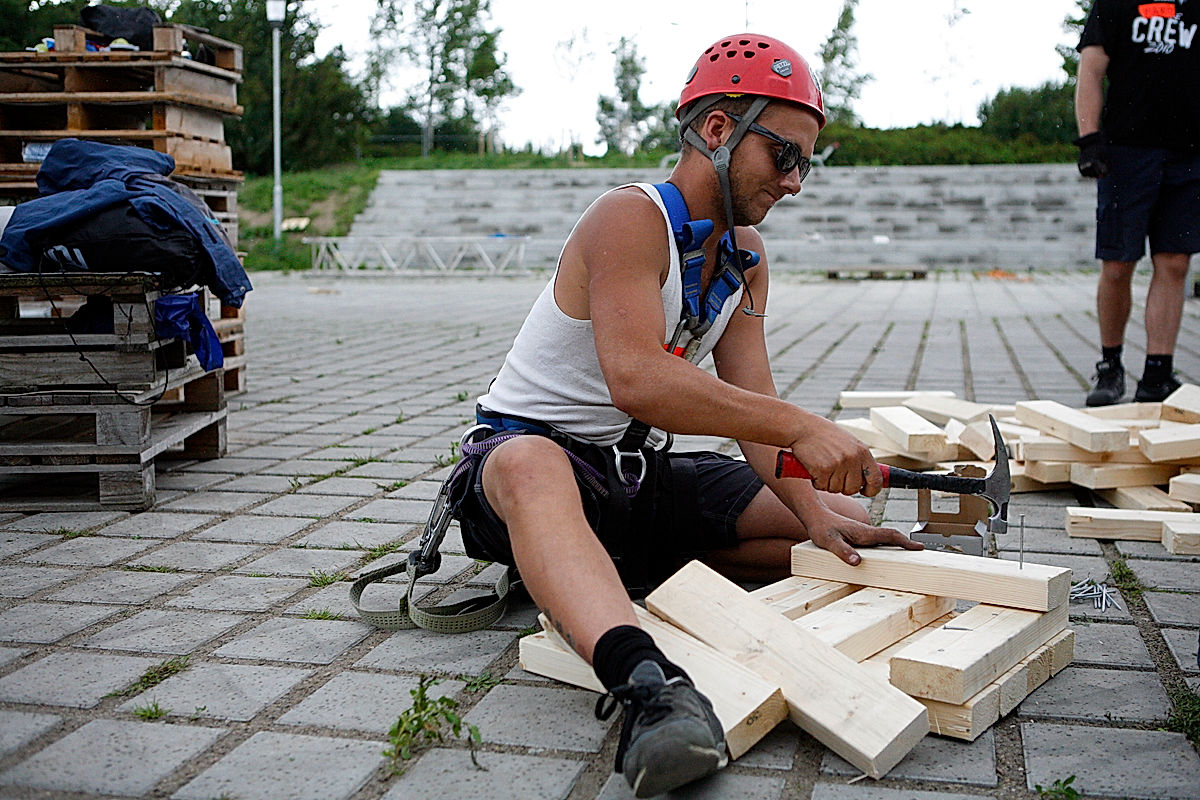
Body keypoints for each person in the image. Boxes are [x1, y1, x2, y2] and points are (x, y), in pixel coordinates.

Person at [445, 34, 921, 797]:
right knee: (531, 466)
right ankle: (649, 687)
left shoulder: (745, 257)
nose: (795, 182)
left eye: (806, 164)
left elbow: (754, 418)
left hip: (627, 483)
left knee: (839, 523)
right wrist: (802, 426)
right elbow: (636, 379)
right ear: (717, 129)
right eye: (784, 156)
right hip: (524, 470)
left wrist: (815, 517)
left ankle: (589, 577)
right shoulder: (628, 218)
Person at [1074, 0, 1199, 406]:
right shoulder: (1116, 3)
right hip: (1126, 151)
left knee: (1175, 262)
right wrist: (1089, 138)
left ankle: (1157, 375)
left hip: (1188, 154)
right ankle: (1110, 367)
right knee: (1117, 263)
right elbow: (1091, 69)